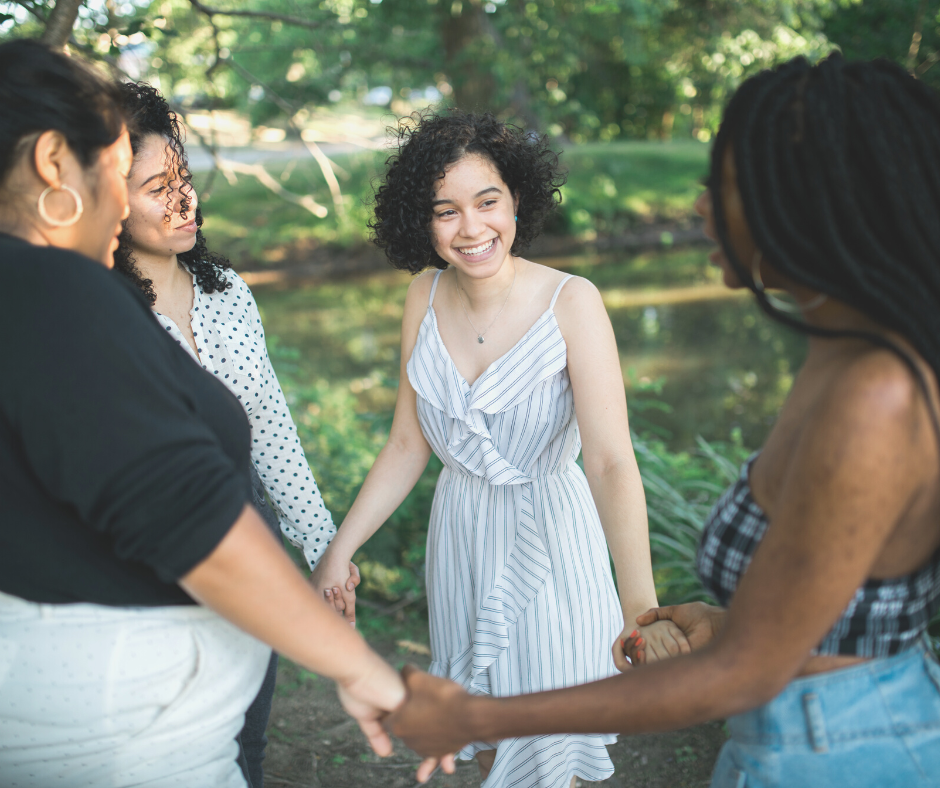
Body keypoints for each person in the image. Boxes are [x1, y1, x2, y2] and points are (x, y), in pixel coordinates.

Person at [385, 54, 940, 788]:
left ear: (811, 203)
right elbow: (830, 611)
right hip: (794, 735)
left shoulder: (878, 393)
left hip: (846, 748)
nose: (703, 205)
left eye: (729, 184)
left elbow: (741, 678)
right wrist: (721, 619)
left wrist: (476, 719)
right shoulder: (843, 356)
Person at [0, 39, 400, 787]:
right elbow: (186, 516)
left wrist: (321, 546)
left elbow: (269, 429)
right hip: (121, 740)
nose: (124, 201)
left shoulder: (205, 292)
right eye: (120, 176)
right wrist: (362, 670)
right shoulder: (58, 292)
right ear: (55, 163)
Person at [309, 110, 689, 788]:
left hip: (553, 539)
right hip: (460, 538)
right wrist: (343, 548)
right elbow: (406, 442)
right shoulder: (421, 295)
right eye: (445, 211)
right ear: (420, 221)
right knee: (484, 745)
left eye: (488, 202)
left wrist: (641, 607)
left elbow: (608, 462)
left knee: (553, 747)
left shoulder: (573, 302)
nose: (472, 229)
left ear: (517, 199)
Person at [113, 81, 357, 788]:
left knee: (245, 736)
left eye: (184, 178)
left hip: (252, 540)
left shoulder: (227, 291)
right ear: (107, 198)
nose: (183, 200)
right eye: (157, 187)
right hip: (152, 557)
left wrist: (322, 544)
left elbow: (271, 429)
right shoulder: (100, 312)